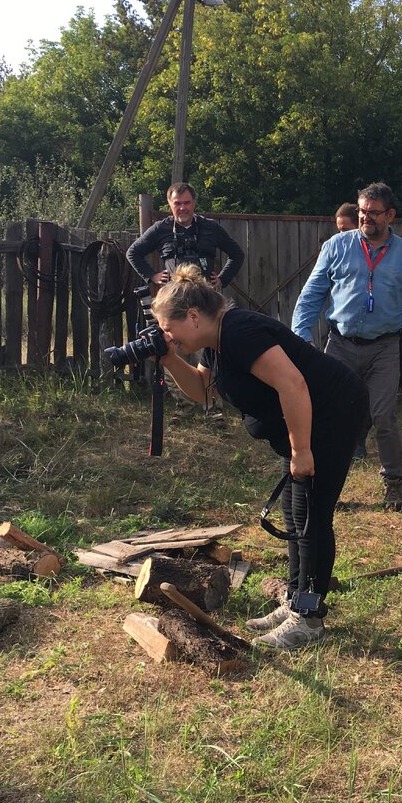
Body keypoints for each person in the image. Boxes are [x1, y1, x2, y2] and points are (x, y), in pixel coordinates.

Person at [151, 265, 369, 649]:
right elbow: (204, 391)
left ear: (194, 316)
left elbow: (293, 383)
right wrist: (169, 359)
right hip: (314, 416)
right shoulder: (215, 343)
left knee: (312, 516)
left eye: (170, 328)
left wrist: (302, 451)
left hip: (334, 413)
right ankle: (294, 600)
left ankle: (309, 618)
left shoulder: (240, 331)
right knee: (295, 509)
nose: (167, 335)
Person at [292, 182, 402, 510]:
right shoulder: (336, 247)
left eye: (373, 213)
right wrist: (301, 336)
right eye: (361, 211)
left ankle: (394, 484)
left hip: (385, 348)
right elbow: (311, 294)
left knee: (383, 415)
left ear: (390, 215)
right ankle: (326, 486)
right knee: (330, 415)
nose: (365, 218)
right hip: (341, 344)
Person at [127, 183, 245, 287]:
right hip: (174, 297)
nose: (182, 208)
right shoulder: (160, 228)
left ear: (194, 203)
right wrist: (152, 275)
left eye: (187, 203)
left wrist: (223, 279)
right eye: (177, 203)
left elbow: (237, 254)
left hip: (205, 296)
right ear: (170, 204)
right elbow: (132, 253)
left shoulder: (211, 227)